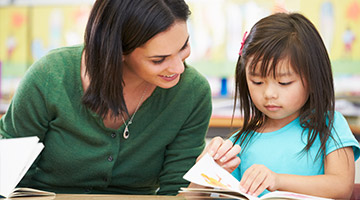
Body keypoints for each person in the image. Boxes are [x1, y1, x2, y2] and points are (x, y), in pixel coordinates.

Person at [0, 0, 239, 196]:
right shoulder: (50, 75)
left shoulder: (191, 92)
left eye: (184, 47)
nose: (178, 67)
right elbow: (8, 175)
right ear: (117, 52)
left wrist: (202, 180)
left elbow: (175, 190)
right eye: (159, 59)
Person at [230, 12, 360, 199]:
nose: (269, 94)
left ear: (313, 78)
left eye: (284, 82)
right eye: (257, 82)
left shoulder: (329, 125)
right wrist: (209, 167)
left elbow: (341, 187)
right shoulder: (239, 143)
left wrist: (277, 180)